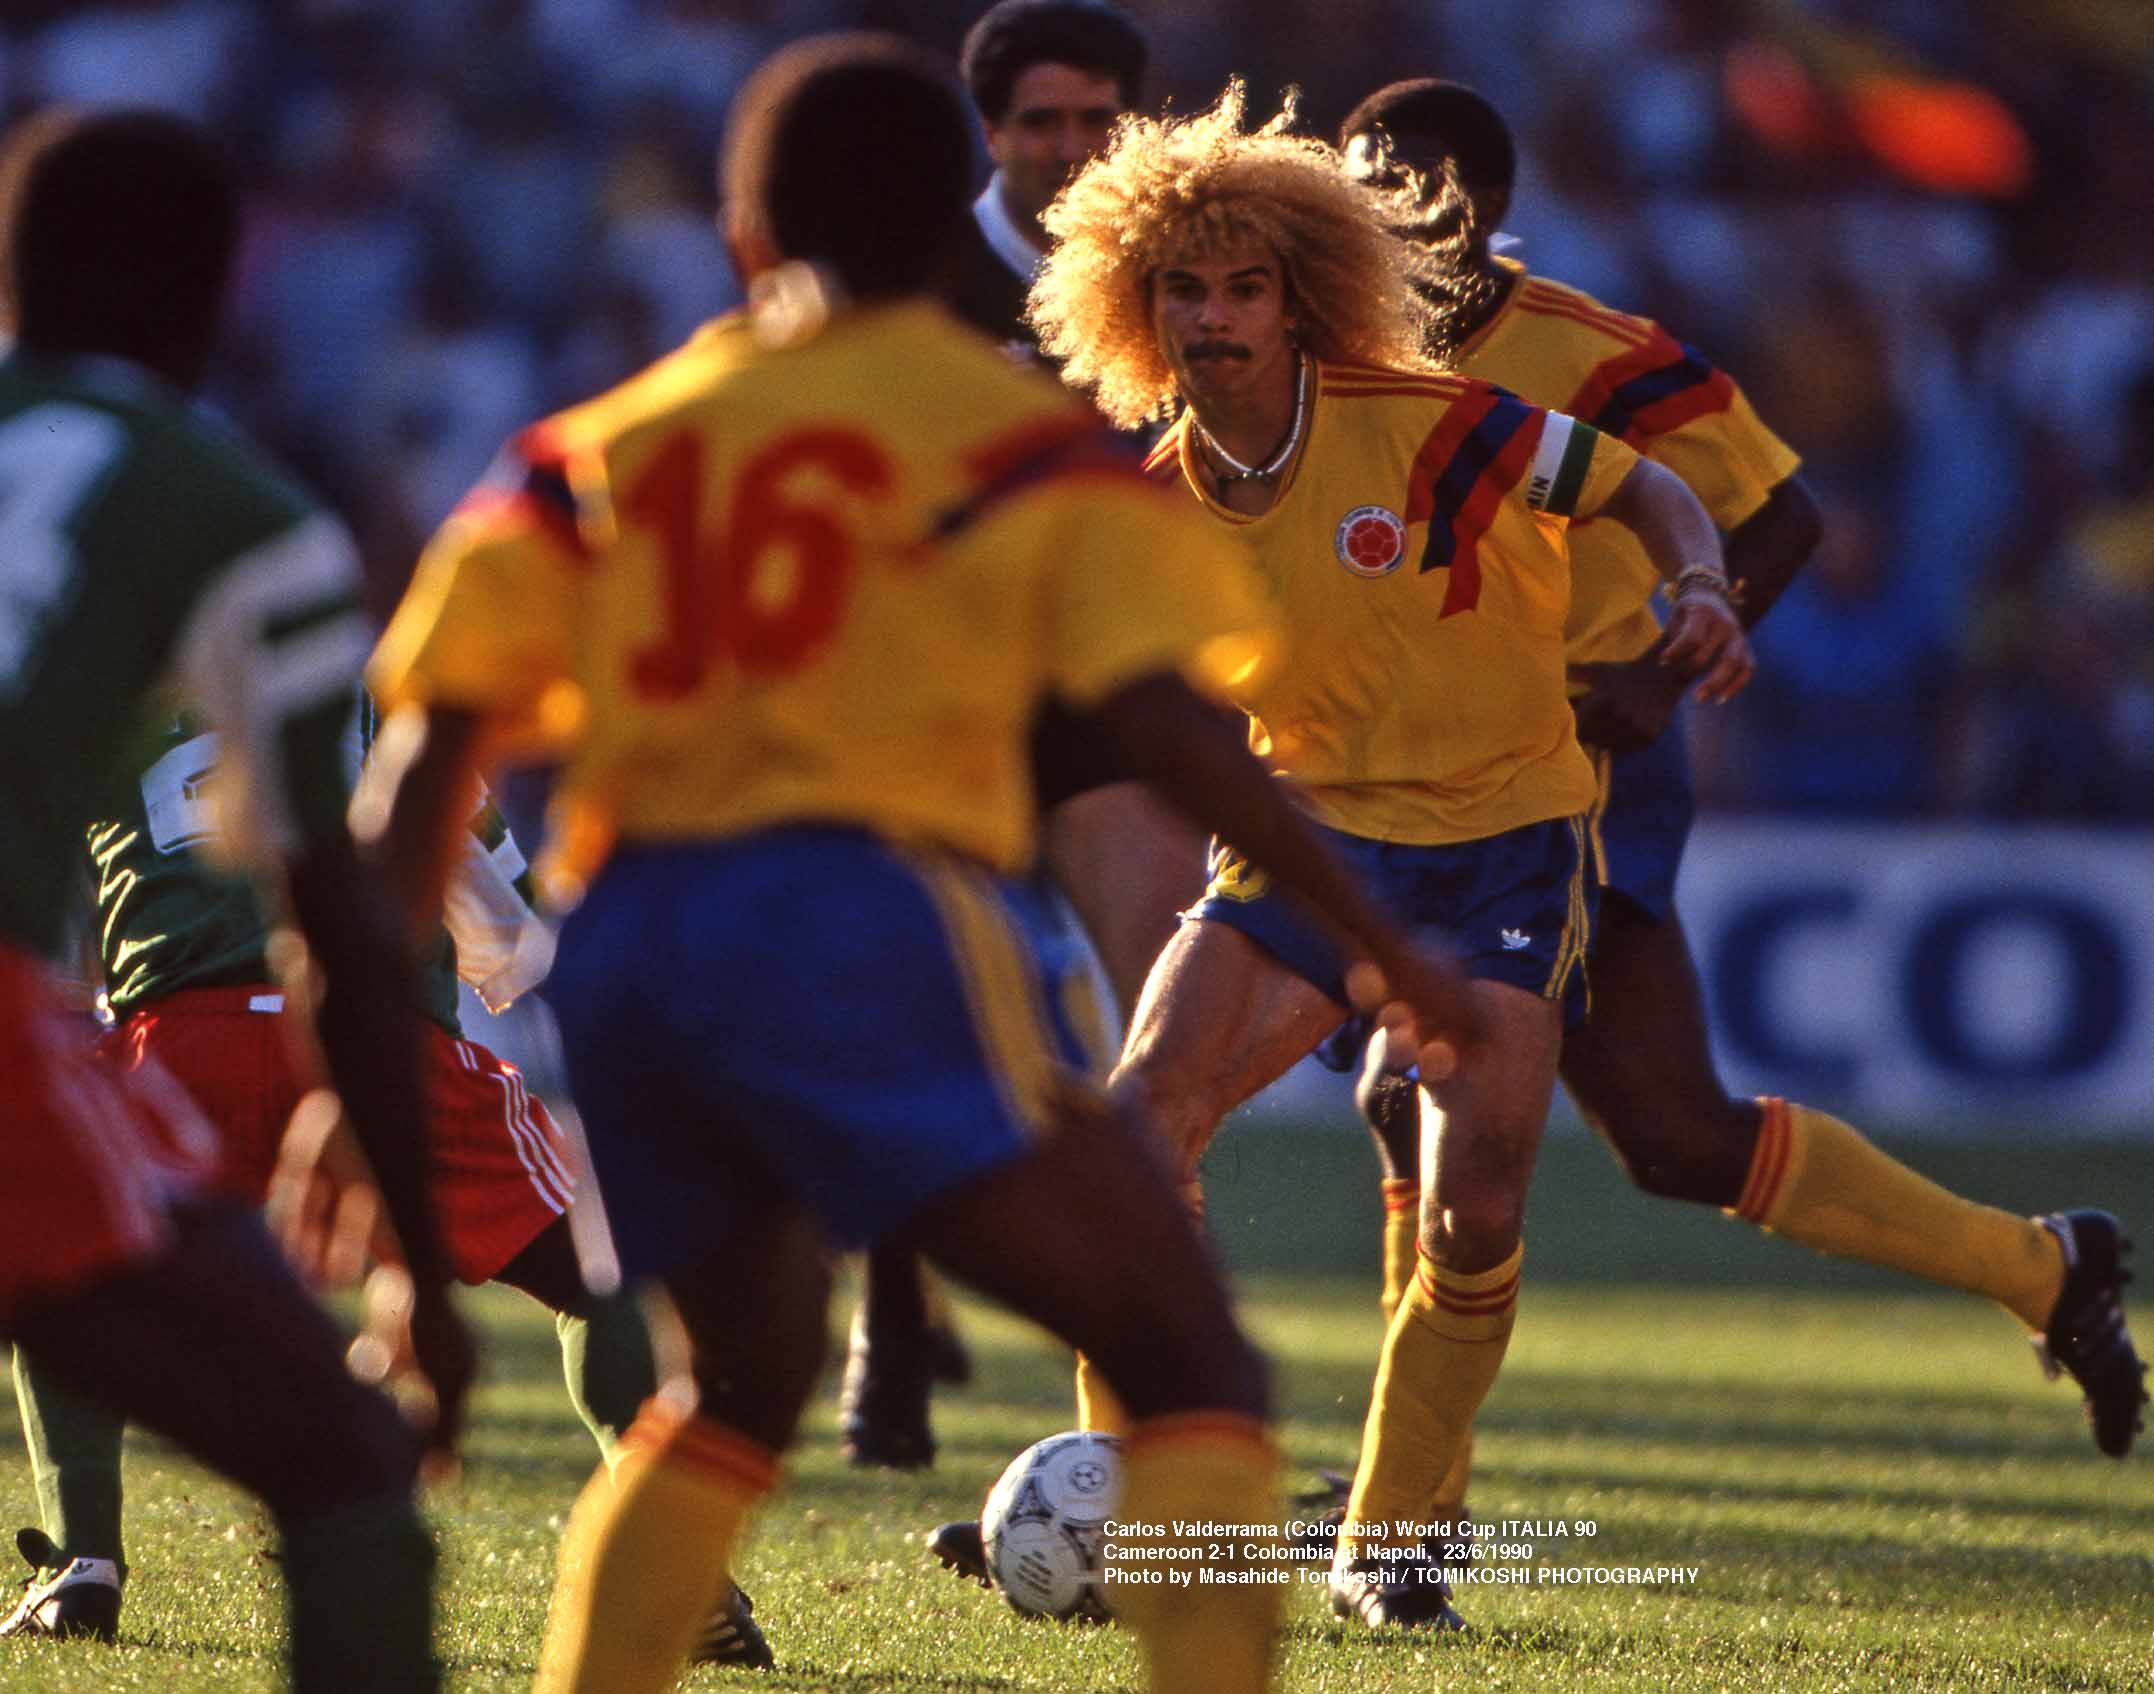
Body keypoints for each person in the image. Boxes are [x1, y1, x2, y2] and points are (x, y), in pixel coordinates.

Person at [362, 35, 1475, 1694]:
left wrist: (362, 1072)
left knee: (731, 1382)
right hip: (857, 909)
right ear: (961, 227)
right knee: (1185, 1352)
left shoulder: (593, 447)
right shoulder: (1020, 442)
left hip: (633, 940)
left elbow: (410, 800)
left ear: (742, 240)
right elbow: (1167, 730)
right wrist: (1368, 924)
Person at [1333, 78, 2145, 1485]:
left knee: (1423, 1086)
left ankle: (1406, 1508)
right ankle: (2041, 1264)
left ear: (1490, 208)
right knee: (1671, 1138)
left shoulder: (1595, 354)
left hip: (1568, 771)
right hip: (1423, 771)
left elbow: (1781, 511)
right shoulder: (1336, 351)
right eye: (1360, 189)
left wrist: (1658, 671)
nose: (1384, 216)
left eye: (1414, 192)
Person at [1016, 82, 1753, 1630]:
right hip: (1299, 849)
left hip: (1501, 845)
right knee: (1140, 1119)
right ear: (1131, 311)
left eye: (1242, 287)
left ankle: (1382, 1537)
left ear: (1299, 299)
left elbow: (1639, 481)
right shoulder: (1149, 505)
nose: (1212, 318)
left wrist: (1700, 587)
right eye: (1181, 291)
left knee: (1473, 1200)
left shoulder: (1434, 424)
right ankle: (1144, 1491)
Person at [0, 108, 470, 1688]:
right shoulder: (233, 511)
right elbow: (338, 918)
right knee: (341, 1464)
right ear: (218, 297)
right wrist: (416, 1255)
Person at [4, 700, 771, 1668]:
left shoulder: (101, 700)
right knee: (597, 1268)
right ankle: (673, 1559)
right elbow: (513, 927)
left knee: (56, 1247)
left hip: (176, 1043)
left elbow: (45, 943)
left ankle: (85, 1555)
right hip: (373, 1040)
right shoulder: (376, 690)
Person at [847, 0, 1200, 1475]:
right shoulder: (917, 270)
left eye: (1095, 121)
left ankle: (1151, 1386)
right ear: (988, 133)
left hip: (1105, 702)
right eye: (1040, 123)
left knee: (1172, 1039)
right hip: (937, 708)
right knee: (907, 1018)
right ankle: (889, 1309)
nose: (1069, 149)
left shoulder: (1187, 267)